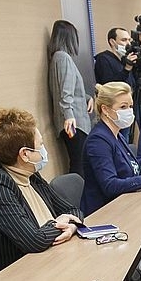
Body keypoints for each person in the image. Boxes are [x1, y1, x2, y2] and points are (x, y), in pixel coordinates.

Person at [0, 108, 83, 275]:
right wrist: (61, 223)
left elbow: (72, 211)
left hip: (35, 262)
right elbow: (34, 240)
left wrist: (71, 227)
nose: (44, 150)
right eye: (41, 144)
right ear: (25, 154)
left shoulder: (30, 175)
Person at [81, 81, 141, 214]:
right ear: (105, 109)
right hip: (105, 212)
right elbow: (110, 186)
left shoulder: (117, 134)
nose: (129, 111)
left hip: (125, 203)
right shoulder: (98, 141)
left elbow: (132, 168)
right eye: (123, 107)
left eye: (131, 106)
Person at [48, 19, 93, 177]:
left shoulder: (57, 58)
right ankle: (79, 193)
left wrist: (87, 97)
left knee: (78, 161)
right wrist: (69, 115)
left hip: (71, 120)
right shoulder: (63, 58)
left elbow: (68, 88)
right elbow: (65, 92)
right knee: (79, 163)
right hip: (74, 123)